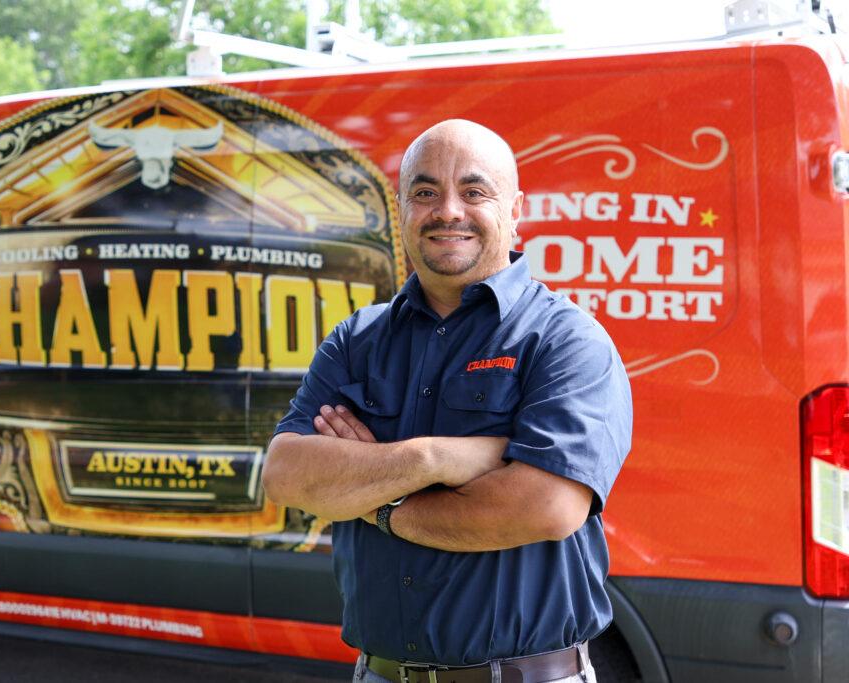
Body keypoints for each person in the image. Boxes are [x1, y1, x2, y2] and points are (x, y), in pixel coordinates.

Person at [263, 119, 632, 683]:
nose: (448, 211)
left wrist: (373, 501)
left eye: (475, 191)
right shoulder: (356, 341)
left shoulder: (564, 340)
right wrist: (431, 458)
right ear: (403, 210)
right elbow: (286, 475)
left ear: (515, 211)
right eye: (425, 192)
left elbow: (546, 506)